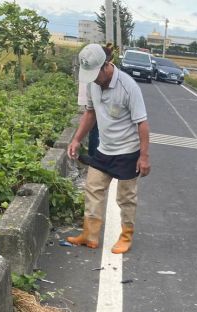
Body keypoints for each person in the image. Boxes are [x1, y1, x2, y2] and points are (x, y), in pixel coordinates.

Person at [67, 43, 151, 254]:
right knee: (93, 189)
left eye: (96, 74)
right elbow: (90, 113)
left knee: (126, 197)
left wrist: (144, 157)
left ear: (106, 65)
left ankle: (126, 236)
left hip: (127, 152)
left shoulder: (128, 86)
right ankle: (90, 235)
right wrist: (76, 139)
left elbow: (142, 123)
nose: (94, 79)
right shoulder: (92, 84)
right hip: (104, 149)